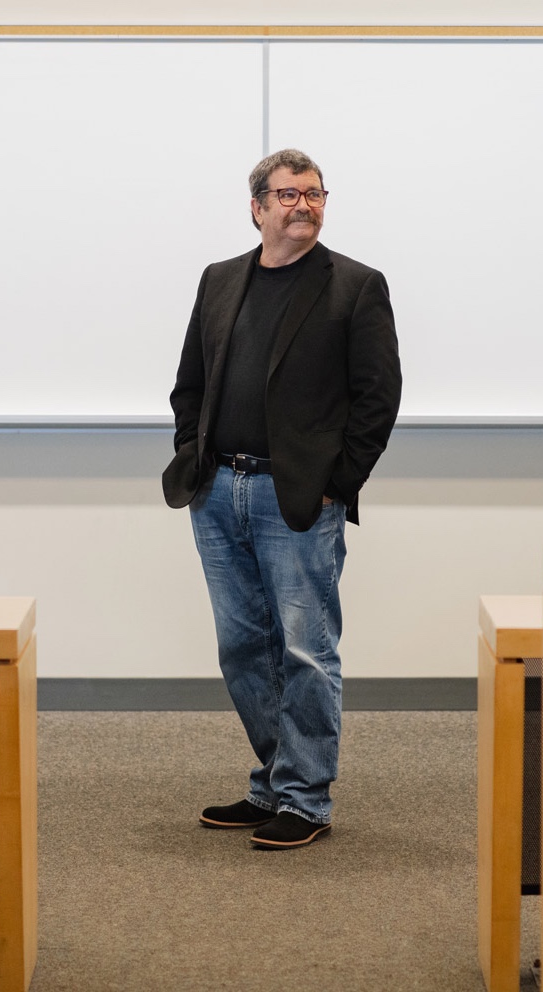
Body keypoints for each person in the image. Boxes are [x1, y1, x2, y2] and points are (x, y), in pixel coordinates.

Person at [162, 148, 402, 849]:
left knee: (305, 650)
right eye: (289, 194)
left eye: (315, 194)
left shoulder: (354, 287)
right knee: (243, 649)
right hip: (218, 491)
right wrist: (193, 456)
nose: (304, 205)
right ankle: (273, 783)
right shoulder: (219, 281)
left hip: (296, 499)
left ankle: (304, 798)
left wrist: (337, 484)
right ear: (258, 206)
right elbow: (190, 384)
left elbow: (377, 399)